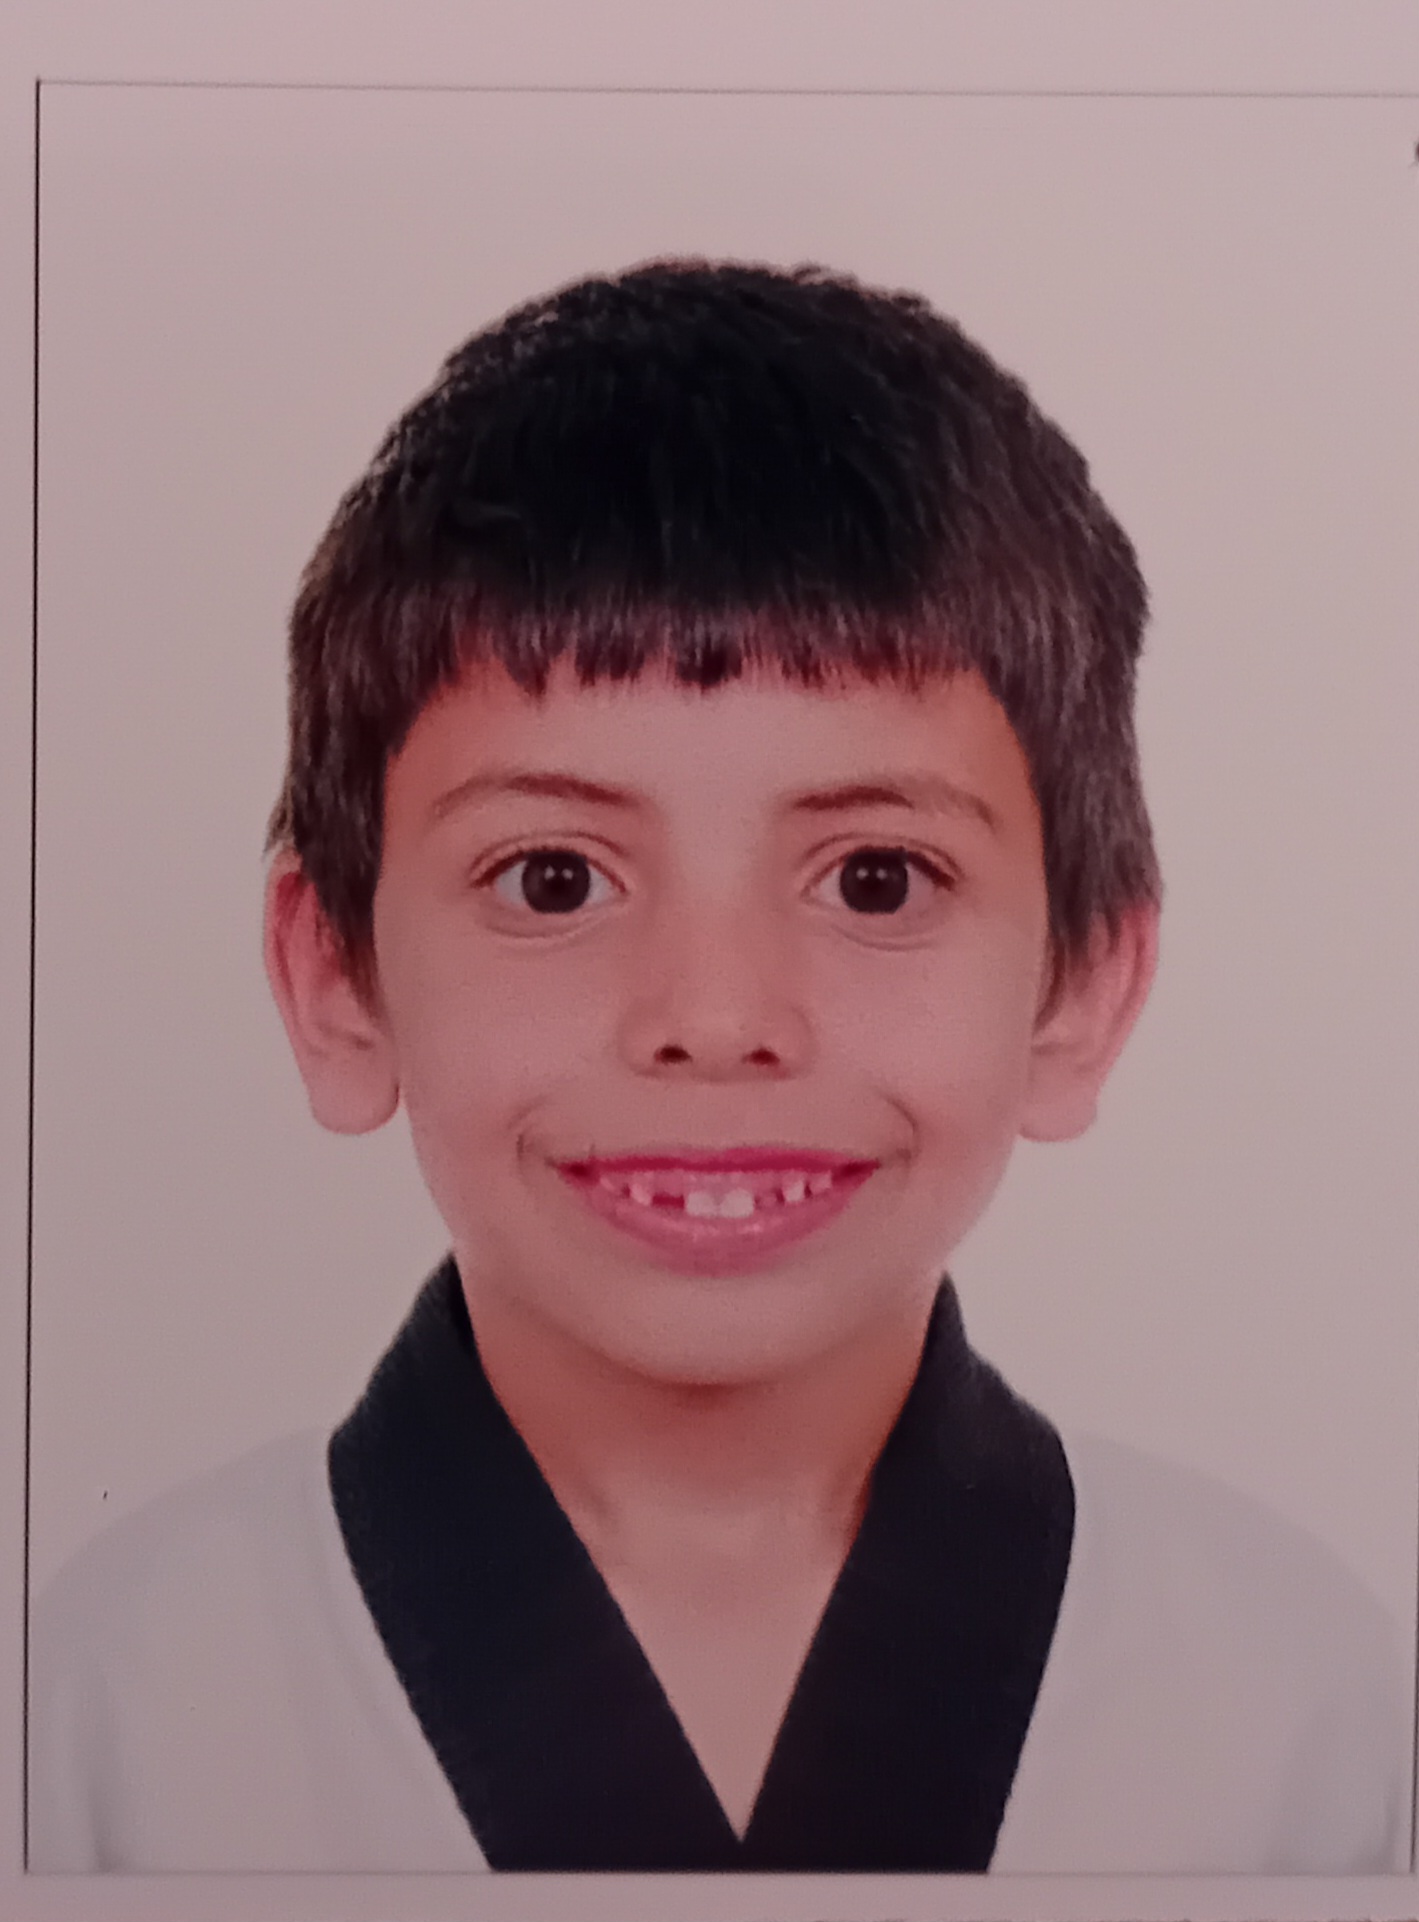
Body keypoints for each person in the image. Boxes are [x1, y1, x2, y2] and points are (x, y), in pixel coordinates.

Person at [29, 259, 1408, 1875]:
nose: (714, 1013)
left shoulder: (1292, 1710)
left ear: (1081, 987)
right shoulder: (107, 1714)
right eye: (554, 878)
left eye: (877, 879)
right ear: (335, 975)